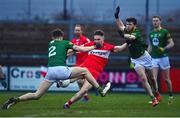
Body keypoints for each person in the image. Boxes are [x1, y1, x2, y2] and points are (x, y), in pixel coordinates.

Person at [1, 28, 108, 110]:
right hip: (61, 70)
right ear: (62, 36)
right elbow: (81, 49)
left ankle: (15, 100)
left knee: (37, 95)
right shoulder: (65, 42)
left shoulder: (50, 44)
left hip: (50, 72)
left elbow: (62, 52)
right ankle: (99, 90)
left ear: (53, 37)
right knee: (85, 70)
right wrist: (94, 46)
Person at [58, 29, 128, 109]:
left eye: (98, 39)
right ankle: (61, 82)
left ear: (103, 39)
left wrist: (128, 42)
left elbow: (120, 48)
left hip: (93, 73)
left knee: (84, 90)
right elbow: (77, 48)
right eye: (95, 39)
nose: (96, 41)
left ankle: (68, 104)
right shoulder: (91, 44)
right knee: (69, 78)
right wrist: (66, 53)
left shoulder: (108, 47)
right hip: (83, 68)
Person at [114, 6, 160, 107]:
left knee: (152, 78)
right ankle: (153, 99)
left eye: (129, 24)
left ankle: (156, 92)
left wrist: (123, 35)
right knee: (143, 79)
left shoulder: (136, 32)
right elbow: (121, 26)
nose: (127, 26)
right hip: (136, 60)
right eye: (127, 24)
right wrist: (117, 17)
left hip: (145, 57)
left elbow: (131, 37)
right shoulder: (127, 29)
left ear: (135, 25)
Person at [148, 16, 174, 104]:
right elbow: (151, 46)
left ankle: (170, 96)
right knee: (153, 79)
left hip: (164, 57)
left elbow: (171, 43)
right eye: (153, 21)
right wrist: (147, 55)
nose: (155, 22)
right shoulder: (151, 33)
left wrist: (165, 48)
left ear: (160, 22)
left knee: (166, 79)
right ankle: (156, 98)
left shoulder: (164, 31)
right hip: (154, 58)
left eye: (156, 21)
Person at [71, 24, 91, 102]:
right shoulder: (72, 41)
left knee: (79, 80)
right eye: (76, 30)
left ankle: (86, 93)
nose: (77, 31)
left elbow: (91, 48)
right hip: (77, 63)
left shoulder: (86, 40)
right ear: (74, 31)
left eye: (78, 30)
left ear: (81, 31)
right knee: (78, 81)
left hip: (85, 63)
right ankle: (85, 95)